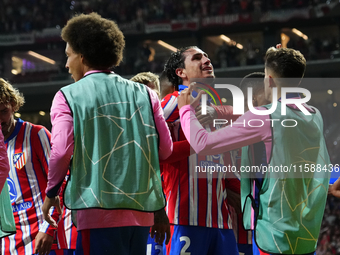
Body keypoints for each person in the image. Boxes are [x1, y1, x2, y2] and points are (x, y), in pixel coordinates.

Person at [177, 47, 331, 254]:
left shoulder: (264, 116)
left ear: (269, 81)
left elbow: (202, 144)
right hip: (307, 235)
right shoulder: (315, 115)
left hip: (274, 236)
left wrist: (186, 110)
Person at [42, 13, 172, 255]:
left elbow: (60, 153)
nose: (67, 63)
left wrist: (51, 193)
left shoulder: (66, 96)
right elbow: (165, 149)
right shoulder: (146, 94)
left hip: (97, 214)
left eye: (68, 56)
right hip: (141, 215)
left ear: (82, 56)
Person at [161, 46, 241, 255]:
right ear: (181, 73)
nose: (206, 60)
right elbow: (149, 150)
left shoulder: (217, 109)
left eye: (206, 56)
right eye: (197, 58)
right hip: (184, 218)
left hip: (221, 221)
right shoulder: (171, 104)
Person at [0, 78, 77, 255]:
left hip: (40, 240)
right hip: (7, 244)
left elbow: (62, 181)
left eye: (3, 112)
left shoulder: (36, 134)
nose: (0, 120)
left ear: (13, 105)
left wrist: (48, 228)